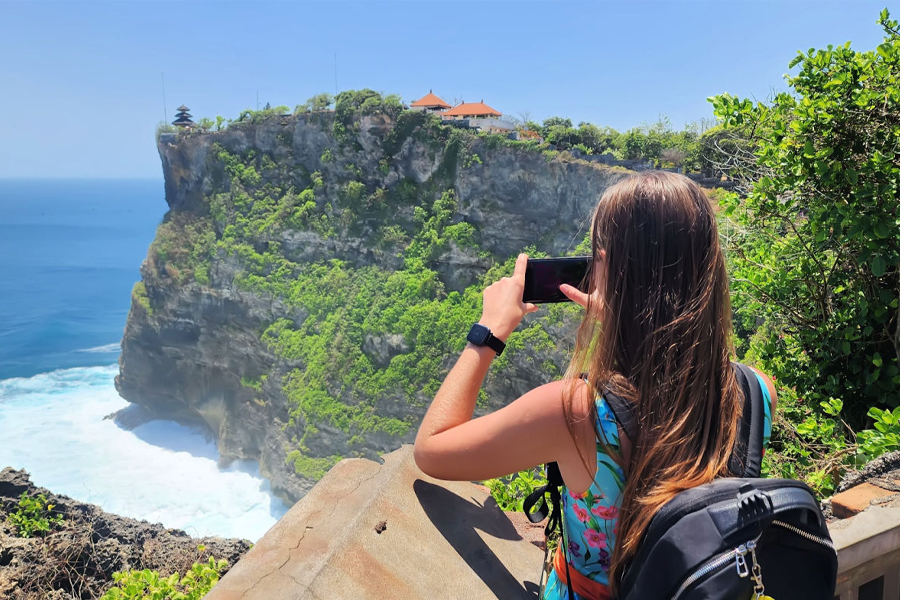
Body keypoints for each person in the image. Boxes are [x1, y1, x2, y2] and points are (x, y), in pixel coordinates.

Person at [414, 171, 777, 600]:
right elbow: (666, 404)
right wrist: (627, 319)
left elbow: (432, 450)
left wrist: (489, 331)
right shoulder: (756, 389)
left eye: (596, 258)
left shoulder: (575, 412)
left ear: (607, 267)